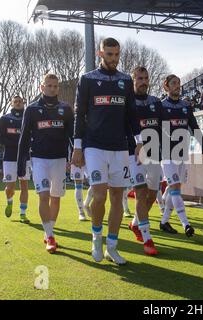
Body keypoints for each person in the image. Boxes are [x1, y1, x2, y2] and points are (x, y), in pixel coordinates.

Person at [72, 38, 142, 265]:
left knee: (117, 197)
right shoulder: (87, 79)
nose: (113, 59)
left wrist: (139, 140)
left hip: (120, 147)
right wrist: (77, 147)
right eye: (109, 54)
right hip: (94, 146)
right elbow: (79, 115)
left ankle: (112, 246)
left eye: (116, 54)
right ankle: (96, 239)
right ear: (101, 54)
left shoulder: (125, 80)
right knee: (99, 195)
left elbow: (131, 113)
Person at [17, 74, 74, 254]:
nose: (52, 89)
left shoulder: (65, 109)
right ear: (42, 87)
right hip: (39, 159)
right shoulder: (31, 110)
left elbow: (72, 136)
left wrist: (75, 157)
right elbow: (24, 138)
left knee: (55, 198)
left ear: (58, 88)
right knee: (43, 196)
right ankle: (49, 235)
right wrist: (20, 164)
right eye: (48, 85)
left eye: (55, 86)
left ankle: (50, 229)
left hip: (59, 159)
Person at [159, 74, 203, 237]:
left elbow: (194, 127)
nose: (177, 86)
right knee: (175, 190)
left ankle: (164, 221)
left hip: (182, 154)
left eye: (178, 83)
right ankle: (186, 224)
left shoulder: (186, 106)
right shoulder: (160, 106)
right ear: (166, 86)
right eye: (173, 83)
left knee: (175, 189)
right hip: (166, 154)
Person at [126, 66, 162, 256]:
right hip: (135, 155)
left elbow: (163, 127)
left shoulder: (156, 102)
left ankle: (134, 223)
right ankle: (148, 238)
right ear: (133, 80)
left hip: (155, 153)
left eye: (146, 78)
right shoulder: (127, 102)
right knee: (140, 194)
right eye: (139, 78)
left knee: (152, 195)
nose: (143, 81)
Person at [0, 95, 31, 223]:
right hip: (9, 158)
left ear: (24, 103)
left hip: (25, 158)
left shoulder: (28, 118)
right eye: (15, 101)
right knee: (10, 188)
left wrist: (24, 146)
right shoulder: (5, 119)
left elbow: (31, 137)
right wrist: (18, 144)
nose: (18, 103)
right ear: (12, 103)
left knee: (24, 186)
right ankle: (10, 202)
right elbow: (0, 139)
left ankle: (23, 214)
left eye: (20, 101)